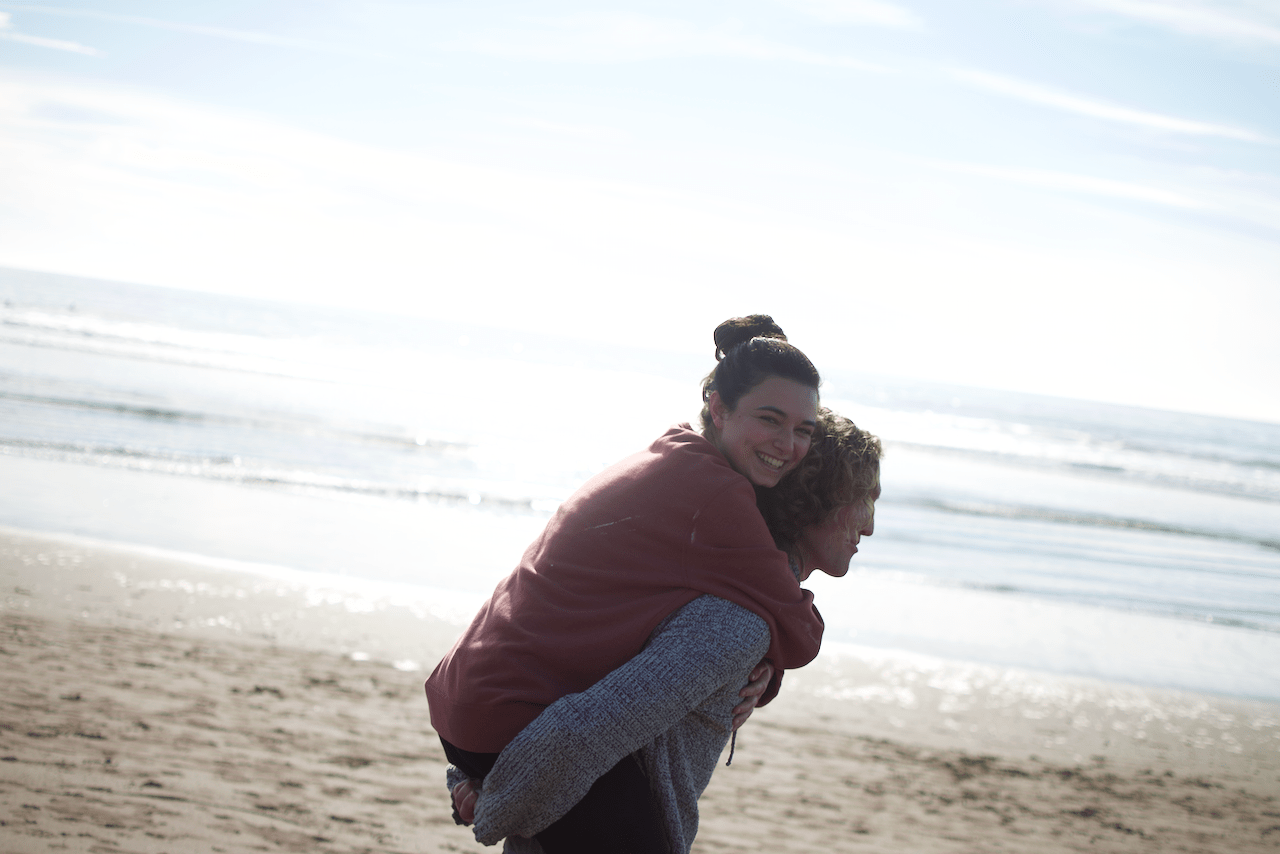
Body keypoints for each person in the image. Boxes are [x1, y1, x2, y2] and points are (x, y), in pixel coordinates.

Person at [426, 315, 826, 852]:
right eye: (771, 420)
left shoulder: (674, 453)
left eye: (804, 430)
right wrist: (770, 663)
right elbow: (798, 628)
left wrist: (762, 666)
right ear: (718, 407)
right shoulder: (717, 496)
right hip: (515, 720)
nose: (788, 444)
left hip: (468, 696)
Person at [448, 409, 883, 853]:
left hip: (571, 810)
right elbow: (586, 726)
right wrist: (495, 799)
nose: (870, 526)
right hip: (593, 825)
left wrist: (486, 771)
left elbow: (580, 669)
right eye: (867, 500)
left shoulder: (716, 582)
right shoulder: (736, 620)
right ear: (818, 497)